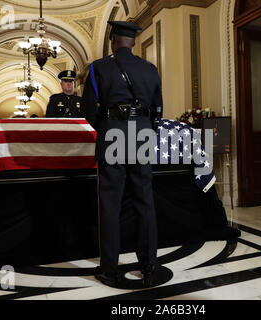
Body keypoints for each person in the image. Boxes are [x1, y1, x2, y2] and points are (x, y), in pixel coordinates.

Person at [82, 20, 163, 287]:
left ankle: (109, 267)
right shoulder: (151, 69)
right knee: (145, 201)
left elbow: (88, 112)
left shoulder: (98, 67)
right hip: (142, 136)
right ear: (134, 42)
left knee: (110, 203)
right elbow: (158, 110)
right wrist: (142, 128)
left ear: (113, 40)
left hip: (113, 135)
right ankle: (149, 264)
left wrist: (107, 127)